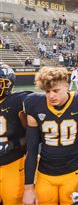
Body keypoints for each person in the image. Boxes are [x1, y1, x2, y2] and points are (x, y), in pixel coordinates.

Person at [22, 66, 78, 205]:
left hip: (72, 173)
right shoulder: (34, 104)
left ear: (67, 85)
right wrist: (28, 188)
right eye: (47, 91)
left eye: (56, 90)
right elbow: (31, 150)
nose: (51, 96)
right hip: (45, 175)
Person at [0, 64, 31, 204]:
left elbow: (35, 137)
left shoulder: (18, 101)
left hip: (12, 163)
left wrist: (12, 144)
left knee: (12, 200)